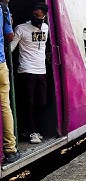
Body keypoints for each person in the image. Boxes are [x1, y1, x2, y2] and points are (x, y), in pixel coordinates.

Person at [10, 2, 49, 144]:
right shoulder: (21, 29)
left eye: (38, 15)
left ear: (44, 16)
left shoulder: (45, 28)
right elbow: (11, 48)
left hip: (41, 71)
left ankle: (35, 129)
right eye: (34, 15)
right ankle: (32, 132)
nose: (36, 17)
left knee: (42, 102)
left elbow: (43, 48)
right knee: (29, 103)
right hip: (26, 71)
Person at [0, 1, 20, 163]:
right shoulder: (3, 8)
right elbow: (9, 36)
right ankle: (10, 149)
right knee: (5, 105)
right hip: (0, 63)